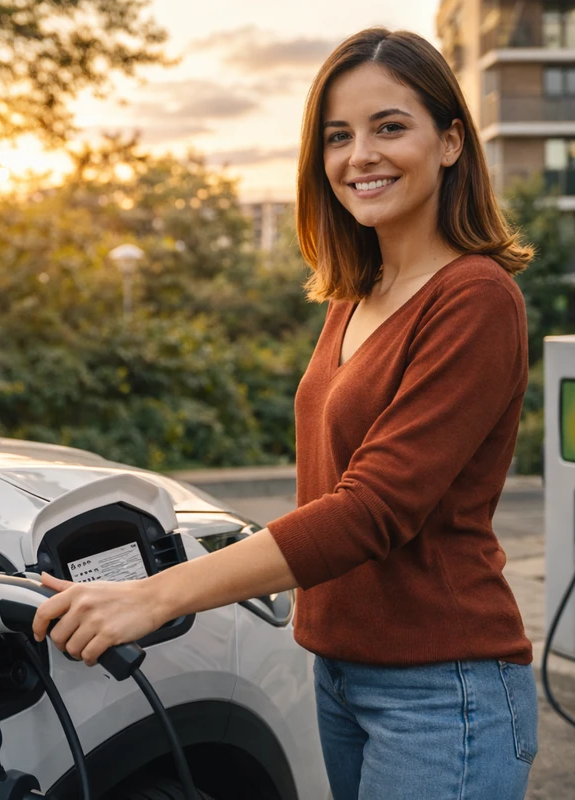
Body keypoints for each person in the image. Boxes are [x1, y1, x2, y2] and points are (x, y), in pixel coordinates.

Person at [33, 27, 538, 800]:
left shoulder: (475, 298)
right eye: (338, 136)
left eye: (389, 127)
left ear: (450, 143)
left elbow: (370, 509)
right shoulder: (356, 296)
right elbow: (325, 488)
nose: (359, 156)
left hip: (444, 690)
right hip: (340, 673)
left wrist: (153, 597)